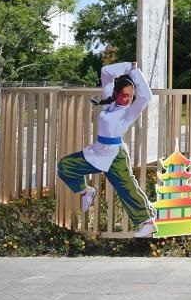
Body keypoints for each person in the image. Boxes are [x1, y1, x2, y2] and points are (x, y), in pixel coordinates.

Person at [56, 62, 156, 238]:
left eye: (131, 96)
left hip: (115, 155)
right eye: (125, 95)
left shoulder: (130, 111)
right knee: (65, 165)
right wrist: (126, 66)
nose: (128, 99)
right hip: (97, 150)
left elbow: (146, 96)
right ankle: (86, 191)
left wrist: (134, 71)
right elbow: (105, 71)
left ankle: (147, 222)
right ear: (116, 93)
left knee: (127, 188)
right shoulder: (109, 100)